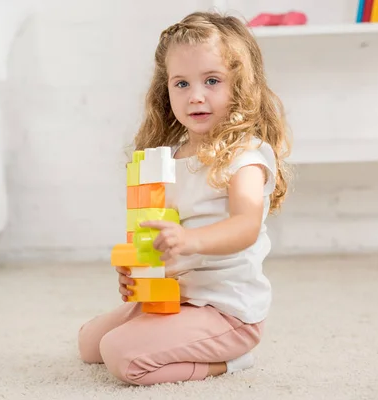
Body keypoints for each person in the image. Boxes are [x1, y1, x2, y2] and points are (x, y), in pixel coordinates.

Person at [78, 10, 291, 386]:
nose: (195, 96)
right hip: (179, 297)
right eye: (181, 84)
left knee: (122, 358)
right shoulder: (169, 158)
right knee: (89, 344)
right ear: (166, 89)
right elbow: (163, 242)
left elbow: (244, 226)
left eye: (212, 80)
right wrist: (139, 274)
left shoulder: (245, 155)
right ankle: (166, 329)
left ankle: (233, 359)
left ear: (240, 86)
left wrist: (189, 240)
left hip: (227, 310)